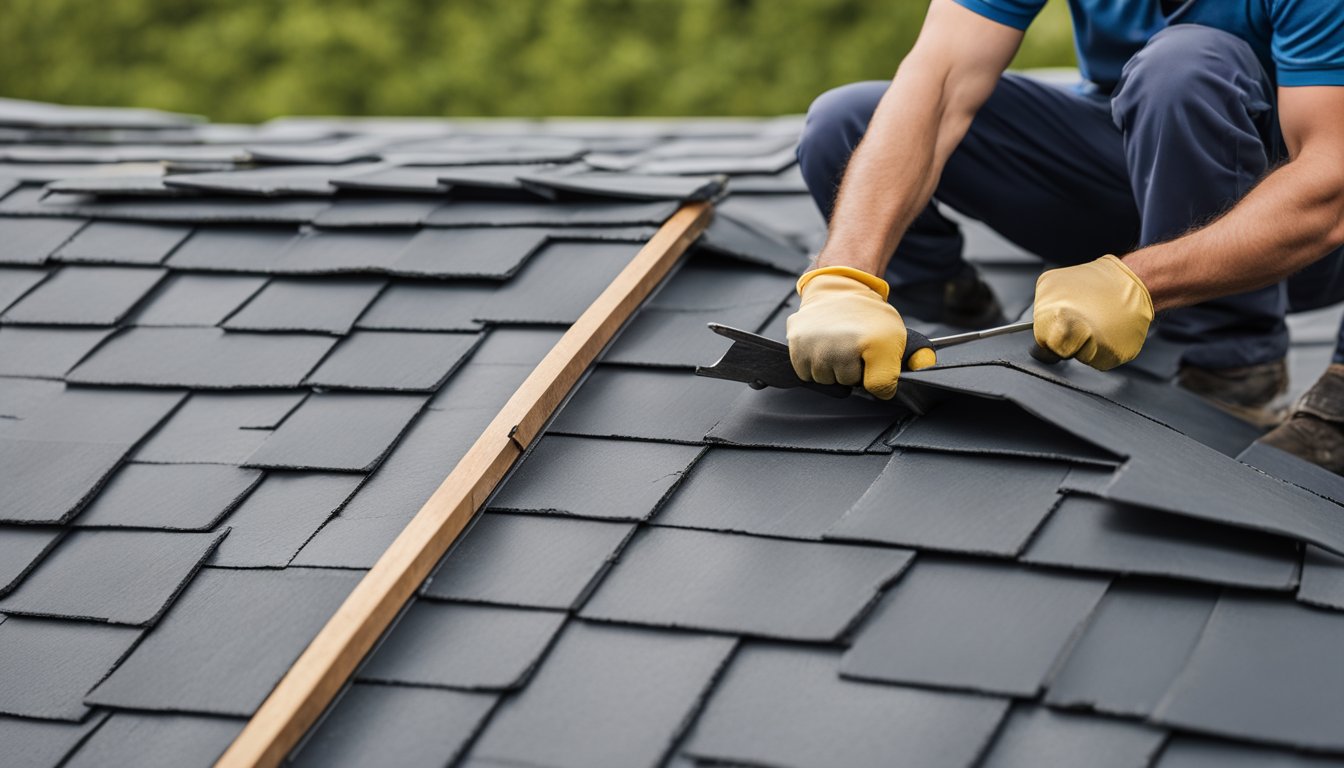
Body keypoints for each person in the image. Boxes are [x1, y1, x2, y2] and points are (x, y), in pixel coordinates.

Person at [787, 0, 1344, 473]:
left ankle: (1231, 365)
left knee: (1186, 66)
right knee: (848, 123)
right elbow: (938, 83)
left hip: (1298, 240)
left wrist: (1138, 282)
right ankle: (954, 316)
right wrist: (843, 278)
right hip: (1152, 175)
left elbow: (1330, 183)